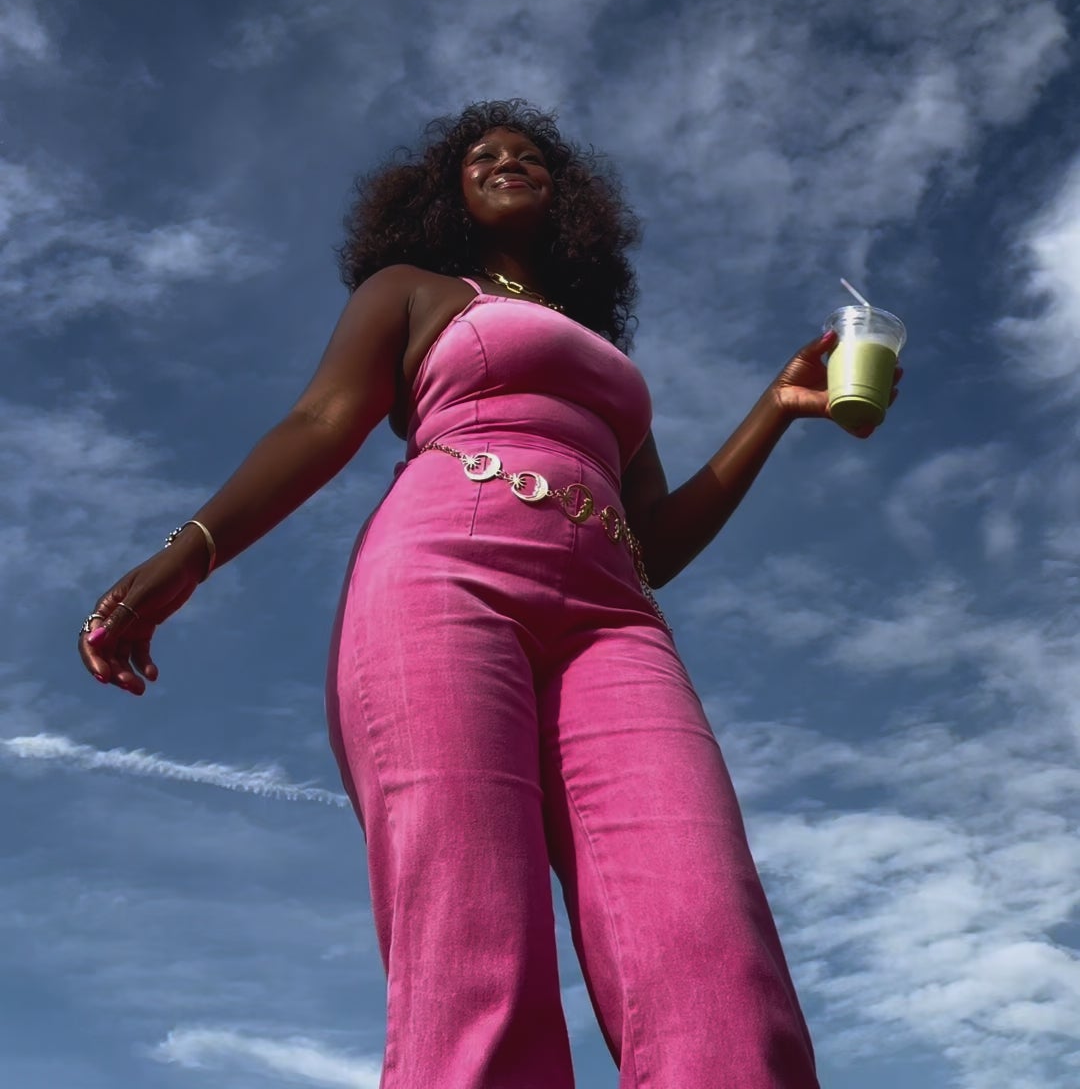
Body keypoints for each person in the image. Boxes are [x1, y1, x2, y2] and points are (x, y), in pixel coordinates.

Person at [80, 100, 899, 1088]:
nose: (509, 160)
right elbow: (320, 421)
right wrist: (189, 553)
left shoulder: (606, 362)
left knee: (710, 938)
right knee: (476, 941)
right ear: (449, 197)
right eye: (483, 157)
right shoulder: (416, 290)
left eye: (529, 155)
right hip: (445, 572)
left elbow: (657, 545)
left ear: (571, 198)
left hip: (617, 618)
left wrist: (774, 409)